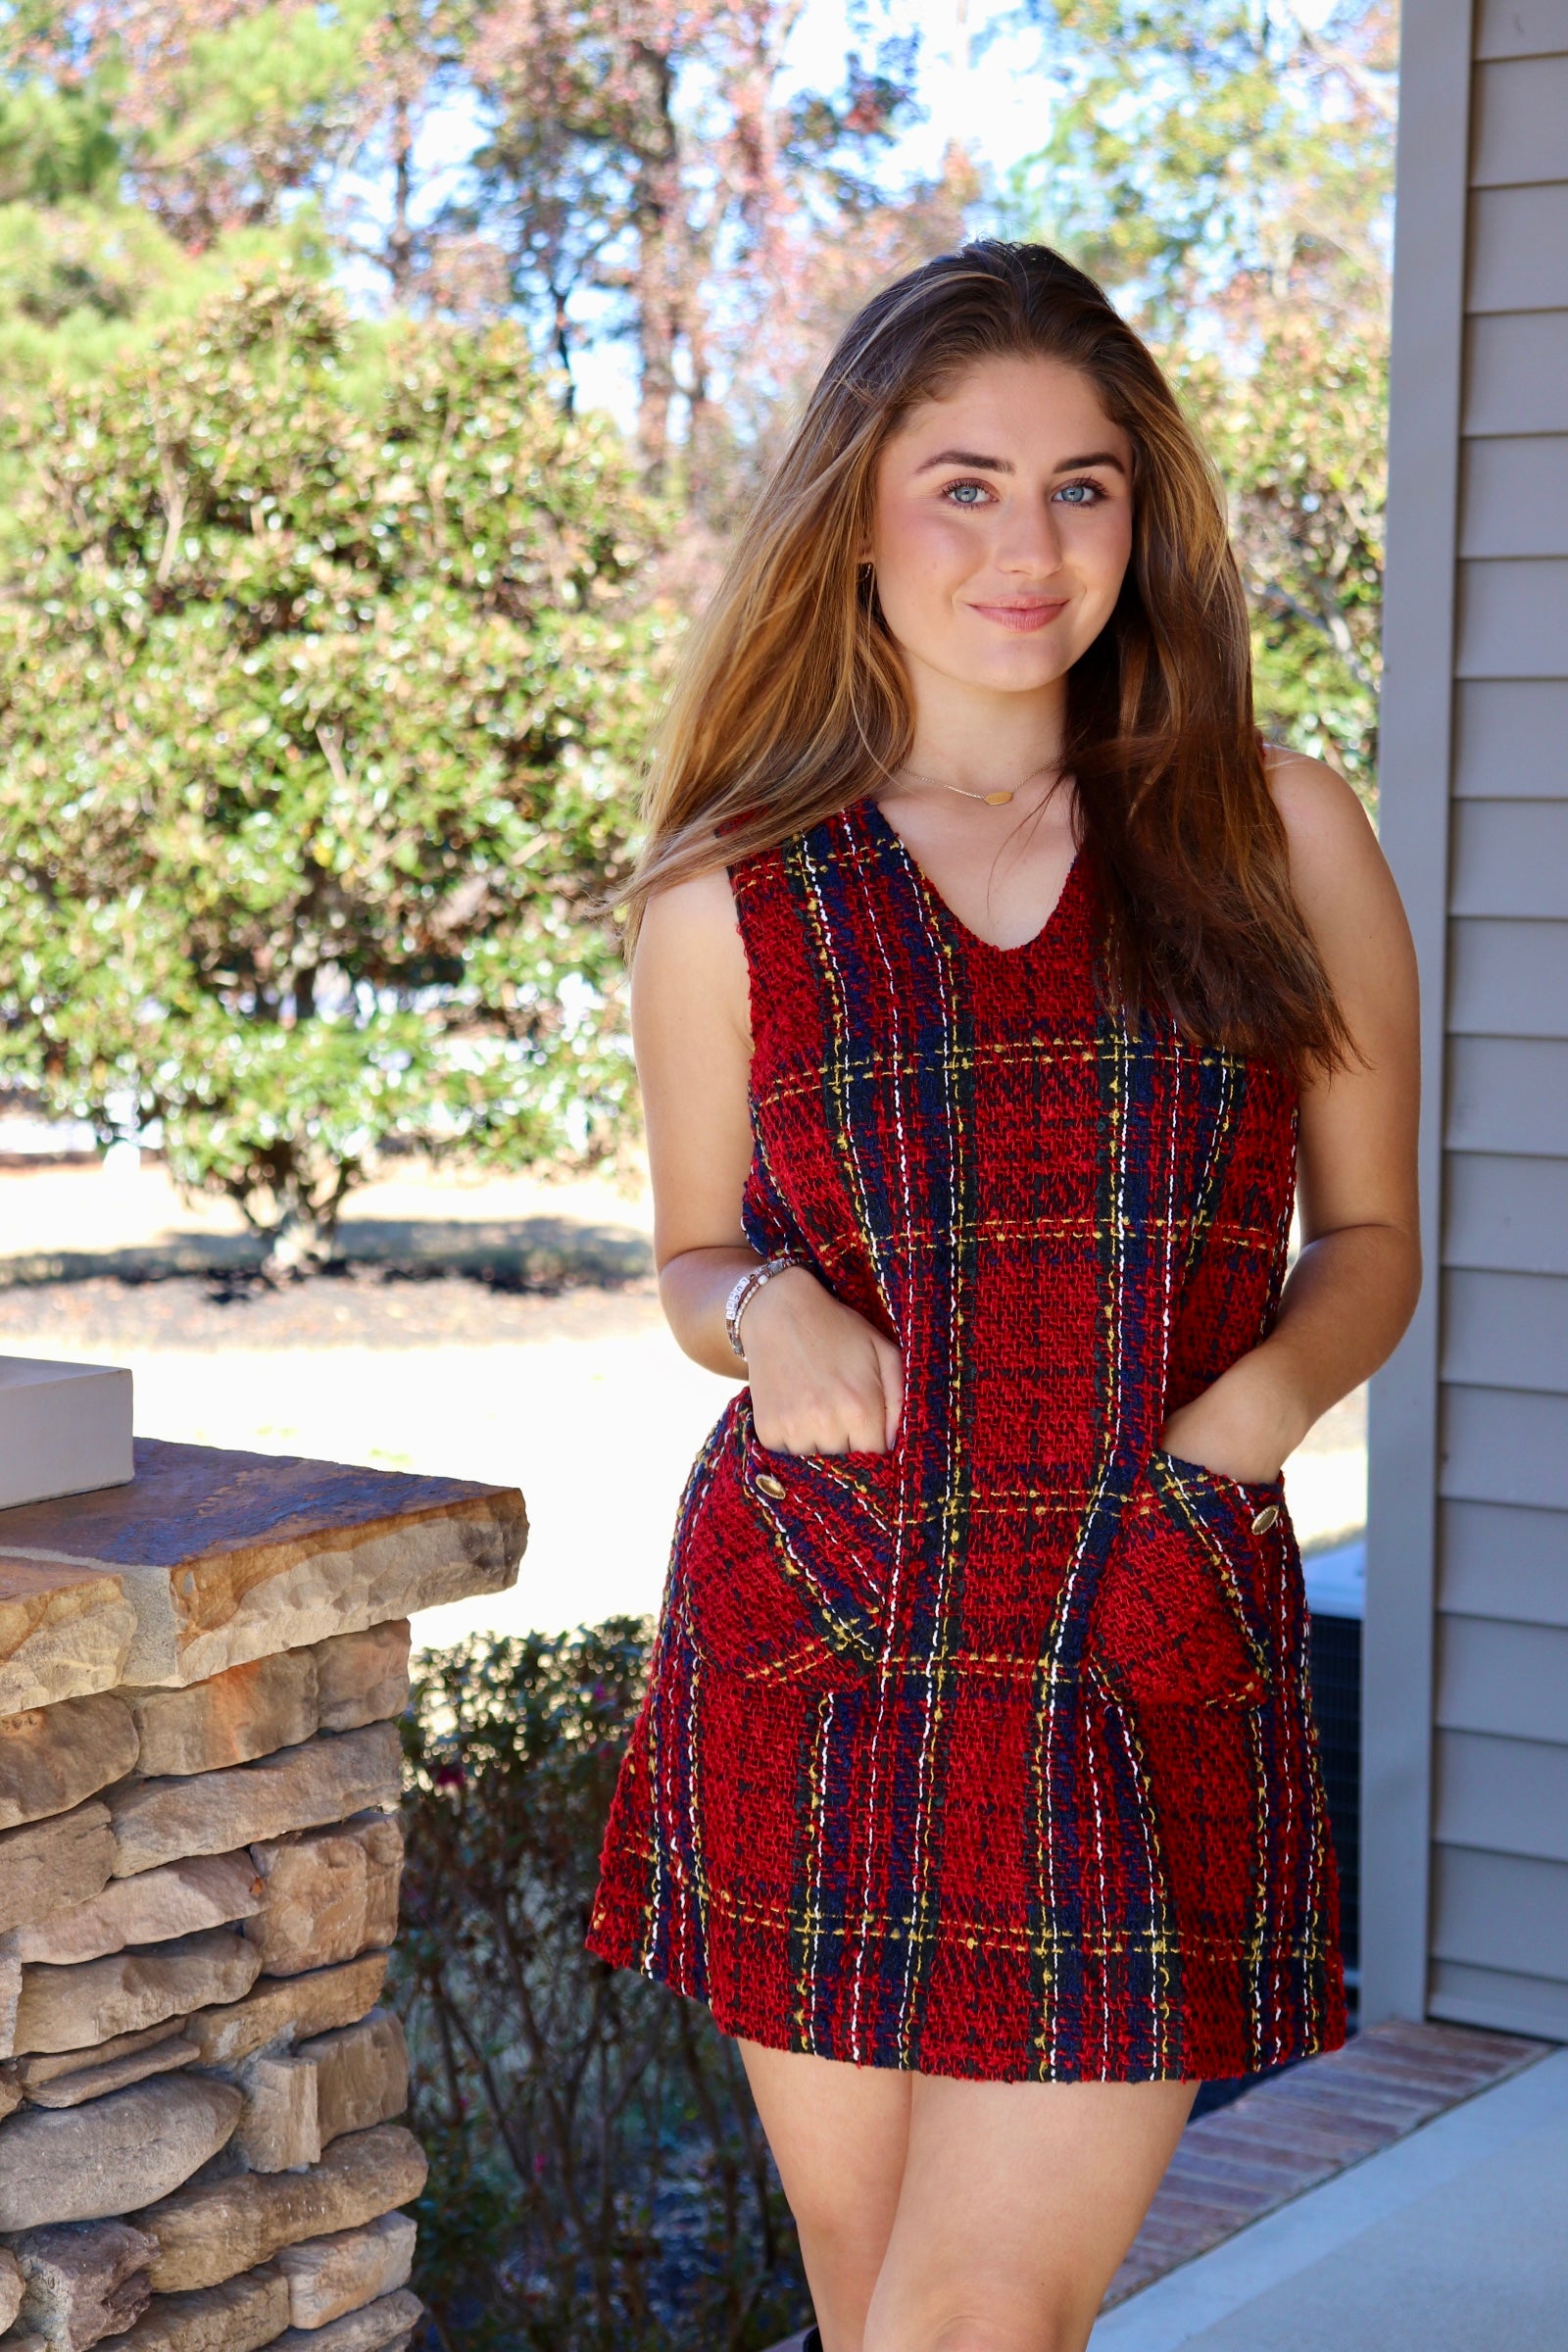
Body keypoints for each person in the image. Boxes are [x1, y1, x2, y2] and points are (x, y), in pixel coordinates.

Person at [586, 240, 1419, 2352]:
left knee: (967, 2323)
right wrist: (760, 1300)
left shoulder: (1276, 832)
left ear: (1142, 517)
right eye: (963, 480)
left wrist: (1234, 1438)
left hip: (1124, 1648)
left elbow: (1371, 1238)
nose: (1026, 543)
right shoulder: (730, 883)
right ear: (856, 505)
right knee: (879, 2317)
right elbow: (691, 1253)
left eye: (1080, 484)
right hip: (826, 1645)